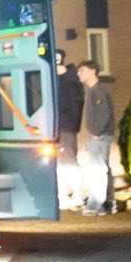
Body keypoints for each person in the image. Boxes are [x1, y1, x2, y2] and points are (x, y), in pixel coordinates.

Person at [76, 59, 116, 215]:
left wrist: (97, 133)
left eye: (82, 70)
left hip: (100, 135)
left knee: (97, 170)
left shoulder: (97, 91)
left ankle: (95, 205)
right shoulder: (94, 90)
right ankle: (109, 203)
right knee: (103, 168)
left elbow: (104, 113)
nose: (79, 73)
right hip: (101, 134)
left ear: (93, 71)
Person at [55, 49, 84, 208]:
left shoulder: (71, 81)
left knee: (69, 161)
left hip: (66, 127)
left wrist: (72, 125)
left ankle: (77, 194)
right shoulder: (58, 79)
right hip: (57, 127)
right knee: (60, 162)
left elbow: (75, 104)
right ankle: (63, 194)